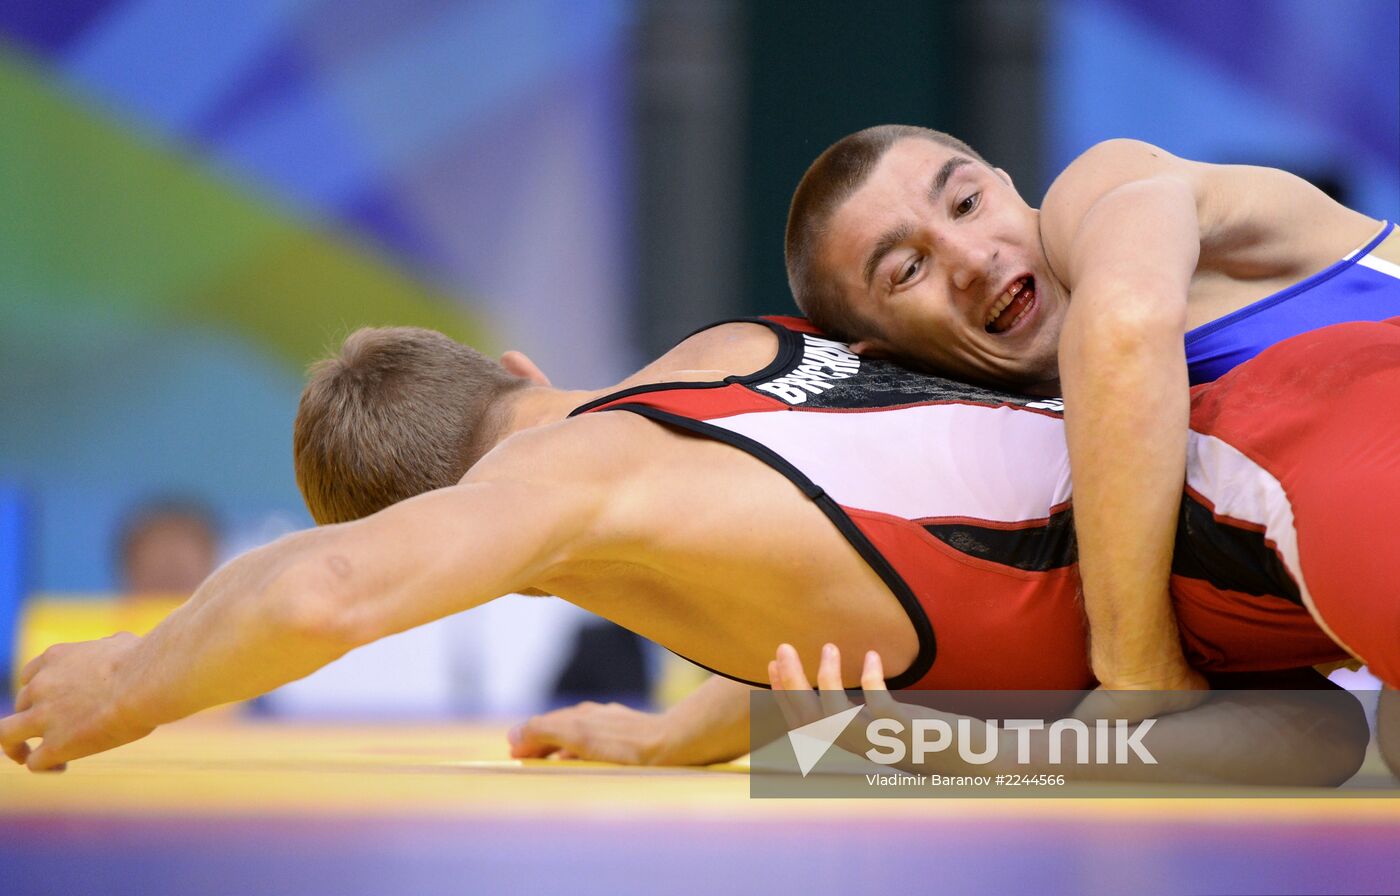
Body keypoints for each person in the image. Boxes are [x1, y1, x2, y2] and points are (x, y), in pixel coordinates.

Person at [3, 316, 1395, 779]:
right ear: (515, 365)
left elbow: (324, 590)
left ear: (454, 540)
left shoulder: (563, 491)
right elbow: (826, 540)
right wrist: (673, 739)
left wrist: (119, 689)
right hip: (1300, 422)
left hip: (1295, 508)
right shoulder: (729, 355)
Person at [783, 125, 1400, 702]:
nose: (971, 260)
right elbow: (851, 609)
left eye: (968, 204)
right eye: (910, 270)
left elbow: (1124, 328)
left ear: (1008, 185)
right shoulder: (1027, 453)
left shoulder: (1100, 188)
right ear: (884, 354)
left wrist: (1136, 673)